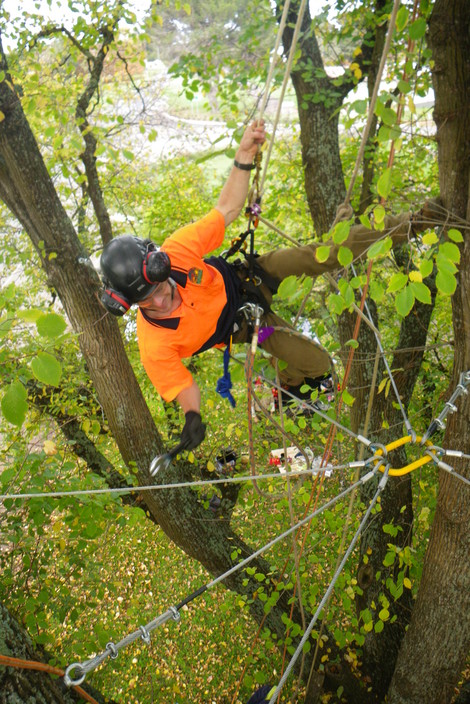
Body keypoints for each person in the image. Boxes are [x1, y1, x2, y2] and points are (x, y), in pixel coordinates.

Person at [99, 120, 434, 453]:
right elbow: (182, 384)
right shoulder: (154, 344)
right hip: (251, 328)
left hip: (254, 277)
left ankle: (415, 223)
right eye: (147, 301)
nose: (160, 300)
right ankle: (284, 385)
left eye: (159, 288)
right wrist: (192, 416)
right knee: (319, 365)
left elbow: (227, 209)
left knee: (325, 256)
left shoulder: (179, 250)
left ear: (160, 264)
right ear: (129, 303)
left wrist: (244, 156)